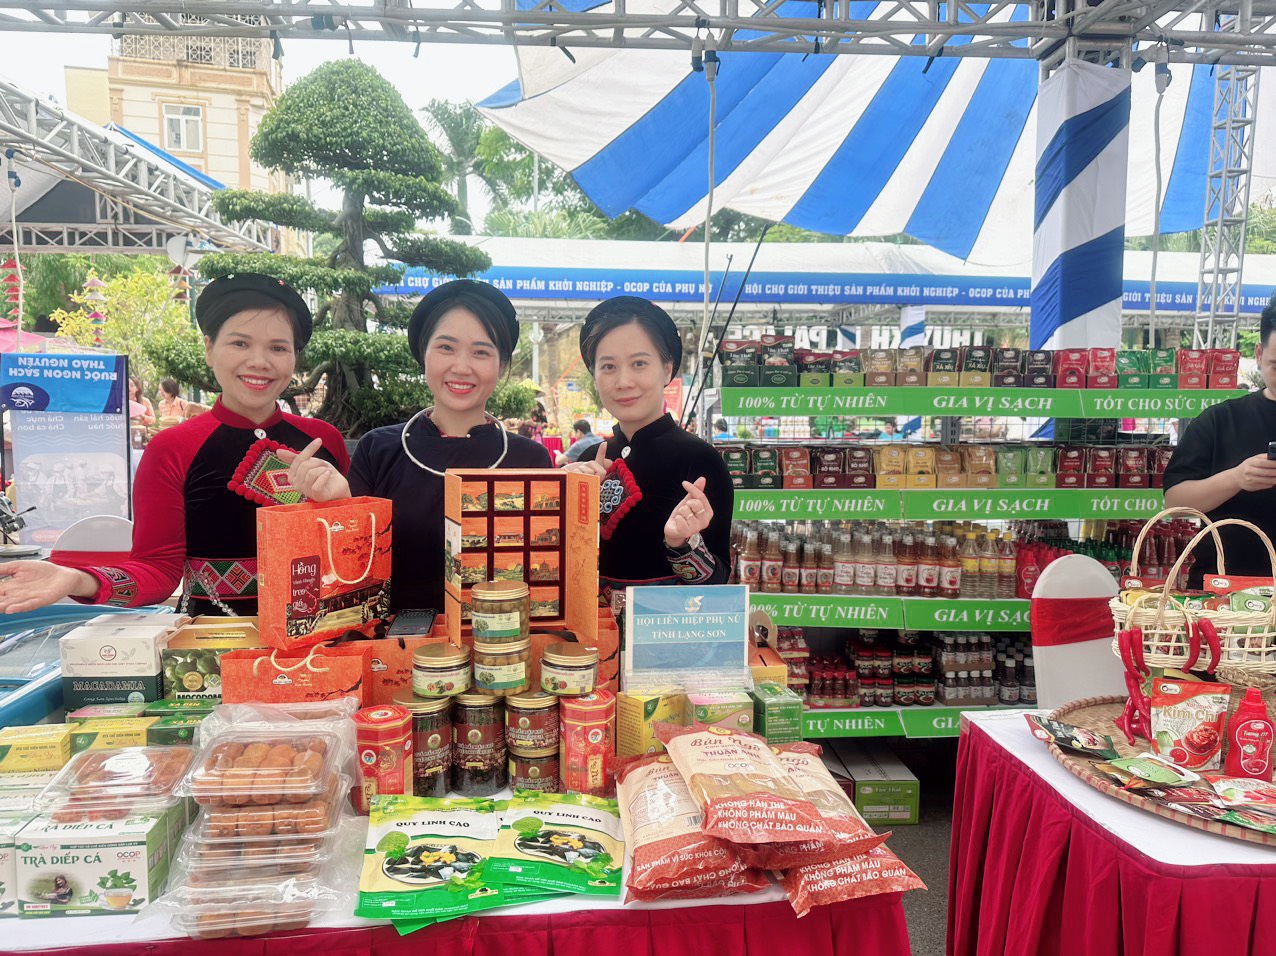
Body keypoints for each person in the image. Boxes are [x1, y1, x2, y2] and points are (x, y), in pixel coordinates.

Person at [0, 274, 348, 615]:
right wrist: (77, 579)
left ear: (295, 358)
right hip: (207, 643)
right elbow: (156, 571)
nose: (259, 361)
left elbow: (355, 558)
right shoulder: (171, 449)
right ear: (209, 349)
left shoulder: (325, 441)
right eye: (240, 343)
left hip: (324, 636)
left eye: (278, 348)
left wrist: (342, 507)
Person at [285, 279, 550, 613]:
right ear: (423, 354)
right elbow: (351, 572)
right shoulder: (378, 449)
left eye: (481, 352)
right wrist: (339, 504)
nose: (461, 367)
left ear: (502, 364)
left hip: (503, 639)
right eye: (446, 347)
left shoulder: (531, 459)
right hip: (394, 640)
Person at [563, 296, 732, 602]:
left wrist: (681, 544)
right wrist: (559, 500)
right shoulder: (587, 460)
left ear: (667, 370)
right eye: (608, 366)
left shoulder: (700, 459)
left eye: (639, 363)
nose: (623, 381)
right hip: (589, 629)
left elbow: (718, 580)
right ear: (594, 376)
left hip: (667, 628)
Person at [1164, 299, 1276, 586]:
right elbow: (1175, 502)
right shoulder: (1221, 420)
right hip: (1223, 590)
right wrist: (1236, 478)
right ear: (1259, 354)